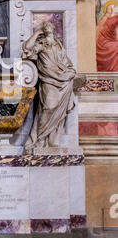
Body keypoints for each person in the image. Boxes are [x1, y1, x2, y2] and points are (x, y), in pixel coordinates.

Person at [22, 22, 76, 150]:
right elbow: (27, 49)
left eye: (49, 25)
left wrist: (70, 72)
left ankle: (52, 141)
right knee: (48, 107)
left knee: (59, 112)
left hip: (63, 80)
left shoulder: (58, 45)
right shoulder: (42, 43)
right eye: (44, 25)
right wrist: (36, 33)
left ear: (53, 28)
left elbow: (66, 61)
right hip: (48, 79)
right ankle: (39, 139)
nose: (47, 26)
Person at [96, 0, 118, 71]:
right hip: (103, 43)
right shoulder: (106, 18)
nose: (116, 7)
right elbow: (98, 30)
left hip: (108, 41)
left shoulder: (114, 18)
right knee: (116, 46)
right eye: (114, 6)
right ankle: (114, 69)